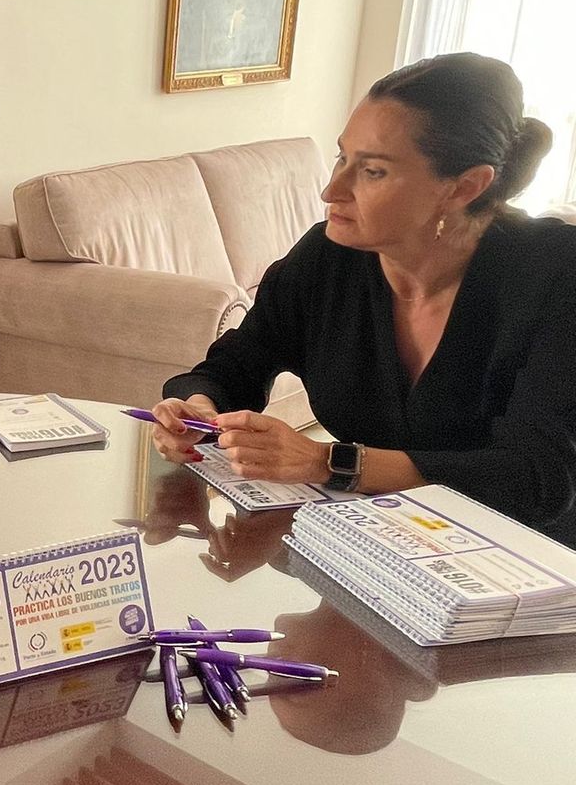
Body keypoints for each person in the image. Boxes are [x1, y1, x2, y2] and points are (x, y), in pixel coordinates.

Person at [153, 52, 576, 546]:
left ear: (464, 186)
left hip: (525, 559)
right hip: (374, 539)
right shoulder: (328, 257)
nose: (332, 190)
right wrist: (197, 409)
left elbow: (538, 479)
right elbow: (234, 366)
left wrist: (330, 462)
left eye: (372, 171)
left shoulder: (556, 275)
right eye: (342, 158)